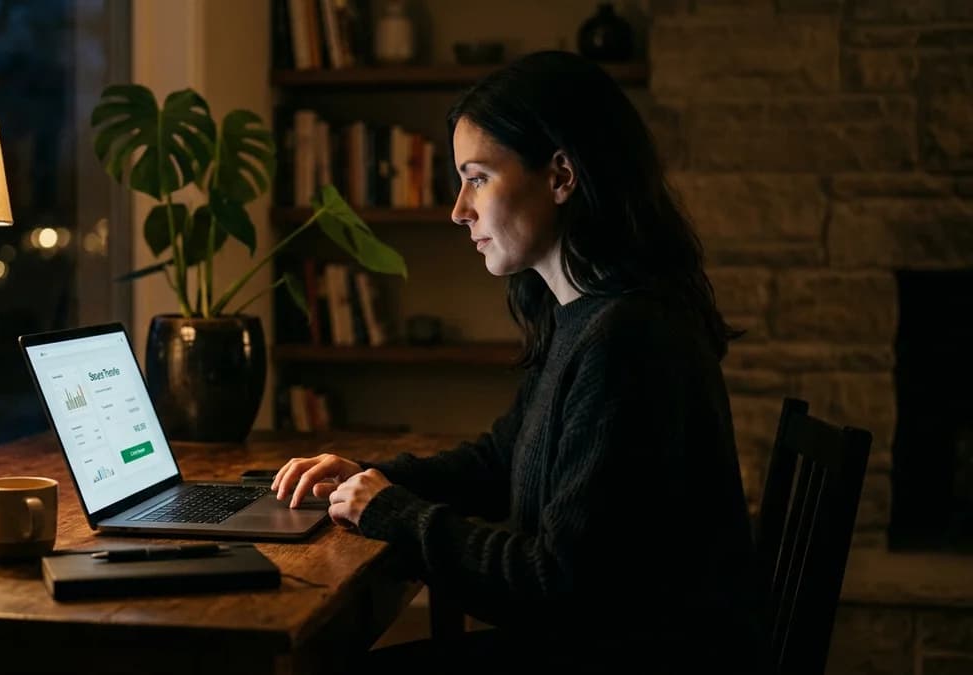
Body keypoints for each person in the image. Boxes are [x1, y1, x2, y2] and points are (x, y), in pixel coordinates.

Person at [272, 50, 766, 674]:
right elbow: (501, 459)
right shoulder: (584, 314)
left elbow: (557, 584)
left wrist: (394, 512)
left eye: (476, 177)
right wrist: (366, 480)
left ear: (561, 175)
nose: (458, 209)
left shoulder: (628, 338)